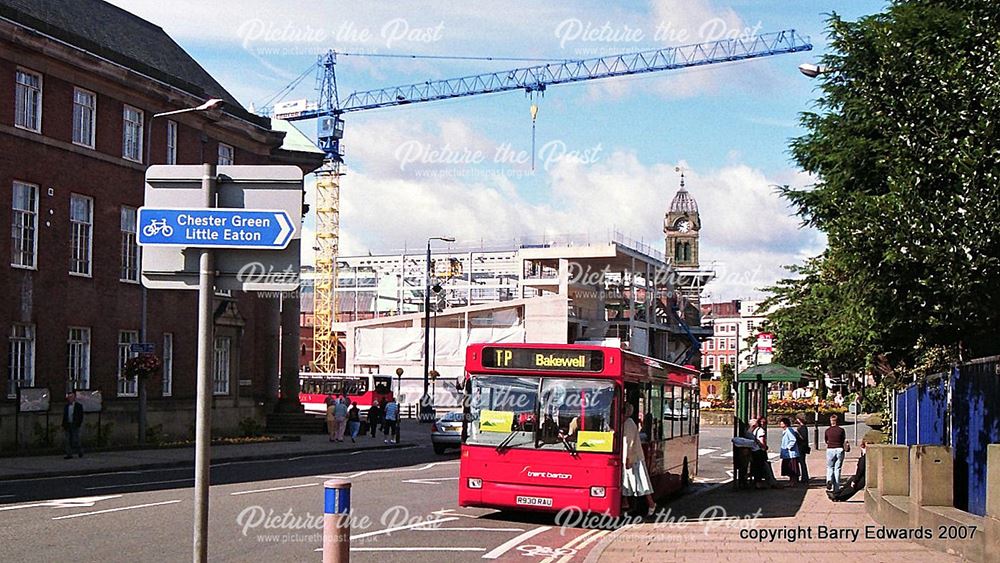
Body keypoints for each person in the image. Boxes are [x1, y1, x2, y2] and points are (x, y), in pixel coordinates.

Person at [622, 404, 656, 516]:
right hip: (628, 457)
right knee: (625, 480)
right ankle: (625, 503)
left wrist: (627, 459)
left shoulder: (629, 424)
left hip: (634, 458)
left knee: (641, 482)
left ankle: (651, 504)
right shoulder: (625, 423)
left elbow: (629, 443)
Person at [825, 413, 847, 492]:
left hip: (830, 449)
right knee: (837, 469)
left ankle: (829, 480)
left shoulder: (827, 430)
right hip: (839, 449)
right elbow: (843, 440)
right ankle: (836, 488)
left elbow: (826, 441)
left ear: (831, 421)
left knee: (830, 467)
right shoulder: (841, 430)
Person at [778, 417, 801, 486]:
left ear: (785, 424)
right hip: (787, 454)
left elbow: (793, 439)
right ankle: (792, 482)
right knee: (789, 468)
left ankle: (793, 482)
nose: (780, 424)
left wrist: (788, 447)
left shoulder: (789, 430)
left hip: (790, 453)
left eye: (781, 423)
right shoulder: (786, 430)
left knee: (792, 468)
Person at [62, 391, 84, 459]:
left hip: (75, 424)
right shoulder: (66, 406)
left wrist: (78, 423)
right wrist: (63, 424)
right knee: (67, 440)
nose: (70, 399)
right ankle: (69, 454)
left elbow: (80, 416)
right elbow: (65, 416)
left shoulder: (78, 406)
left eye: (71, 397)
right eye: (69, 397)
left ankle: (80, 451)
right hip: (68, 424)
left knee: (75, 439)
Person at [794, 414, 811, 482]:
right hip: (801, 447)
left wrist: (796, 434)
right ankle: (803, 476)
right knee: (801, 462)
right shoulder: (802, 427)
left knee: (802, 462)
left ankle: (804, 477)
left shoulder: (802, 428)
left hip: (801, 448)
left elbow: (803, 438)